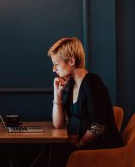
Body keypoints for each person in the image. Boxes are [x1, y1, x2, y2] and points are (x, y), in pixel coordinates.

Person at [46, 37, 123, 166]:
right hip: (88, 147)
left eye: (56, 64)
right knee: (54, 154)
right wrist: (57, 94)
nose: (54, 69)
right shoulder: (73, 83)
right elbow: (59, 123)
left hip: (103, 151)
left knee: (56, 156)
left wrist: (79, 145)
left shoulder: (92, 82)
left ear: (71, 61)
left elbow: (98, 126)